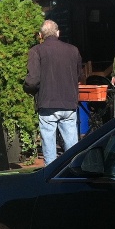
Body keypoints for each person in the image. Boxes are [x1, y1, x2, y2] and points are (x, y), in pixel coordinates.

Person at [24, 19, 83, 165]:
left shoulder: (36, 51)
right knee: (72, 145)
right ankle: (73, 169)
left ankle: (51, 173)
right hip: (69, 102)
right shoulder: (73, 50)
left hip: (47, 102)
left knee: (49, 145)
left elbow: (32, 81)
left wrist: (27, 89)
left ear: (41, 35)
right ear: (58, 33)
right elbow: (79, 76)